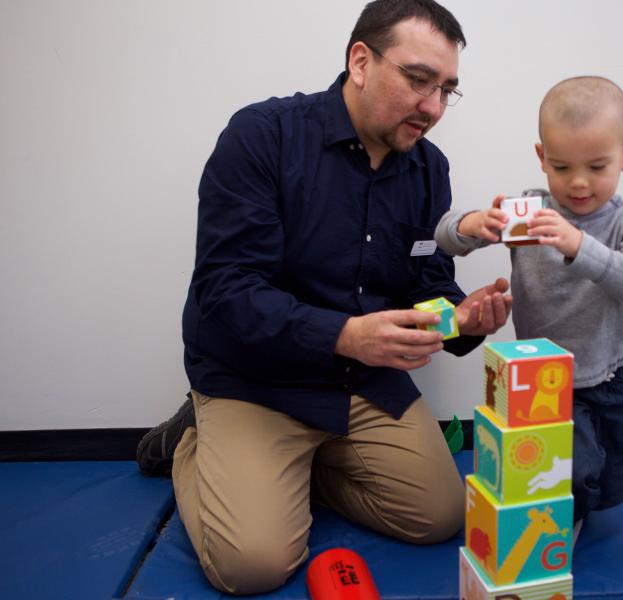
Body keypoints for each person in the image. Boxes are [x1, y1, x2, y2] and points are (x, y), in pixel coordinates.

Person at [136, 0, 512, 594]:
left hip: (358, 385)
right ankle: (194, 441)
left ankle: (288, 473)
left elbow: (428, 284)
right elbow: (227, 291)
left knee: (440, 518)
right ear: (360, 61)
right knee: (253, 566)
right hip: (256, 379)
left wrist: (464, 320)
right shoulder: (261, 136)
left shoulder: (428, 168)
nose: (434, 108)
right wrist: (345, 335)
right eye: (419, 81)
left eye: (447, 90)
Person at [435, 76, 623, 531]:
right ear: (542, 158)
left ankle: (581, 503)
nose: (578, 183)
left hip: (606, 374)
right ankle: (555, 525)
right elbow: (444, 236)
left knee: (612, 478)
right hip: (541, 383)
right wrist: (474, 224)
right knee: (568, 473)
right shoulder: (530, 212)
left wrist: (579, 245)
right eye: (561, 167)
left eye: (597, 167)